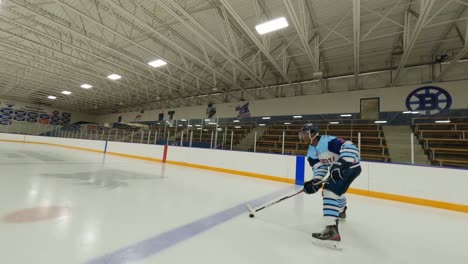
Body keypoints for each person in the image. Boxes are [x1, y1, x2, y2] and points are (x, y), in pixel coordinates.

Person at [298, 123, 361, 247]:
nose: (302, 137)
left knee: (329, 191)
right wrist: (315, 180)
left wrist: (342, 164)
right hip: (339, 170)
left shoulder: (328, 141)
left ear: (312, 134)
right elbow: (320, 167)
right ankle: (342, 211)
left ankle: (331, 230)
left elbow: (351, 147)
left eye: (304, 134)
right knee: (337, 192)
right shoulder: (311, 151)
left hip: (351, 168)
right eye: (301, 135)